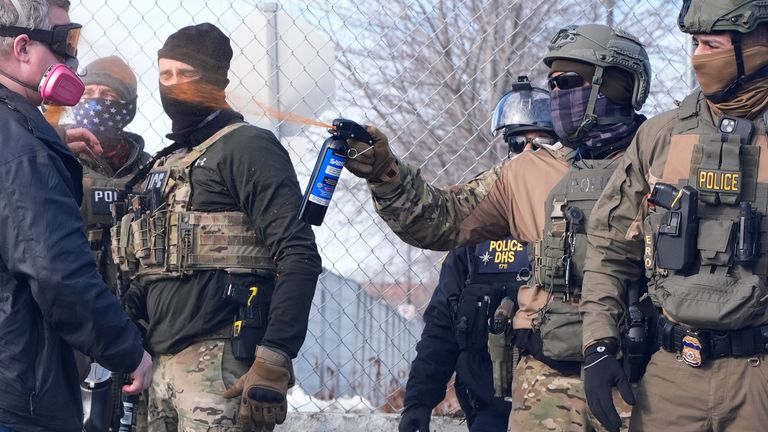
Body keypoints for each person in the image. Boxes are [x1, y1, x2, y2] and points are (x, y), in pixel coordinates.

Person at [345, 24, 650, 432]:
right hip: (547, 385)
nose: (555, 95)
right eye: (552, 85)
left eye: (568, 82)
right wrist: (385, 172)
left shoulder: (663, 160)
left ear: (615, 85)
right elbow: (440, 218)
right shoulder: (526, 172)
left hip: (639, 379)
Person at [112, 23, 322, 431]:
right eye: (165, 75)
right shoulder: (166, 164)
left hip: (222, 363)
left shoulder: (247, 147)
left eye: (185, 75)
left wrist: (274, 359)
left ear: (213, 79)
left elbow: (299, 255)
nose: (172, 86)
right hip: (160, 364)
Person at [581, 2, 768, 431]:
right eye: (695, 43)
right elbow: (609, 249)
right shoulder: (661, 136)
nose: (698, 56)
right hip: (673, 374)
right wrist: (598, 344)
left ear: (755, 47)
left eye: (712, 45)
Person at [0, 0, 153, 431]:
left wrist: (43, 140)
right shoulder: (21, 148)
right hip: (18, 395)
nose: (73, 59)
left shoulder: (22, 139)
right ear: (24, 48)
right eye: (64, 42)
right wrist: (127, 351)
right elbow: (57, 273)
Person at [399, 78, 554, 432]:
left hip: (559, 408)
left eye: (542, 143)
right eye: (518, 143)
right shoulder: (475, 234)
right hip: (488, 413)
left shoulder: (576, 226)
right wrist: (418, 403)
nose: (528, 155)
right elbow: (442, 325)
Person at [61, 55, 152, 432]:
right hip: (70, 317)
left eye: (108, 94)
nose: (95, 102)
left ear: (127, 108)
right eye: (89, 91)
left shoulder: (149, 172)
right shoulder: (57, 158)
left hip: (132, 322)